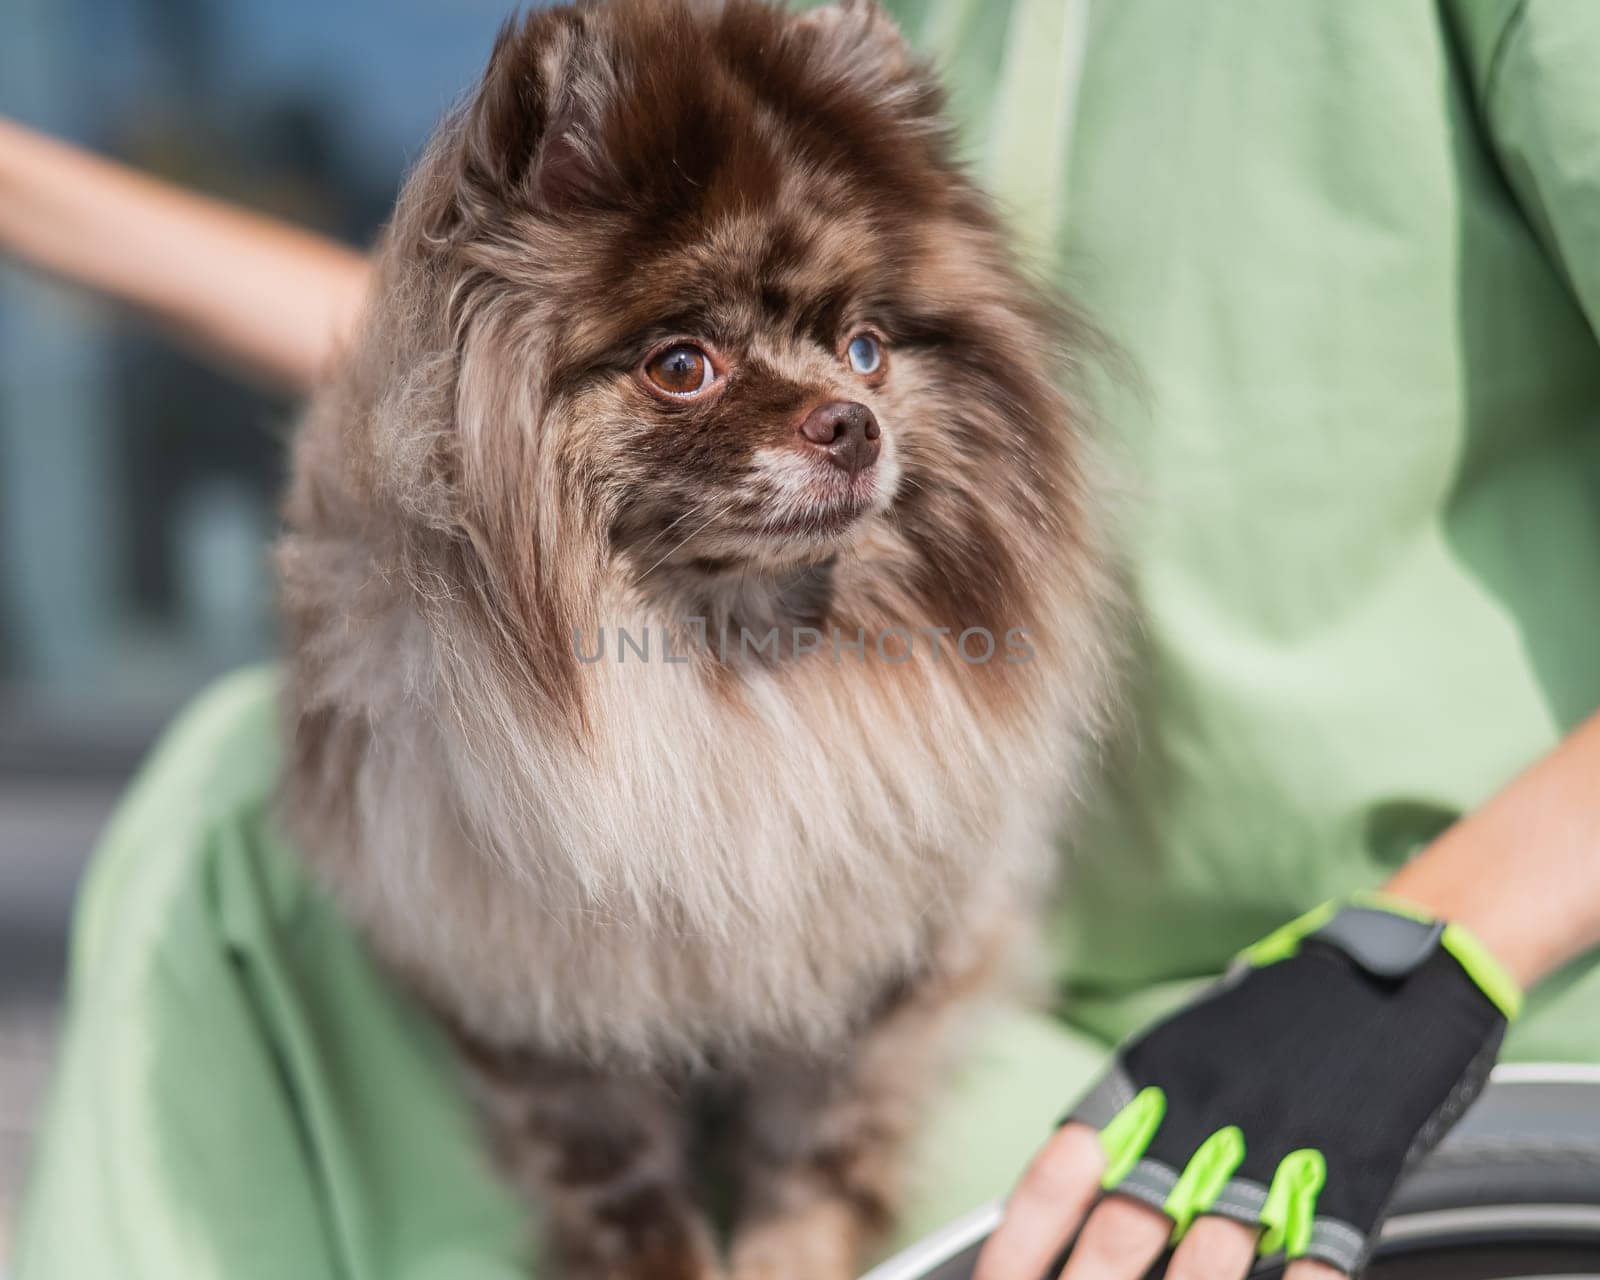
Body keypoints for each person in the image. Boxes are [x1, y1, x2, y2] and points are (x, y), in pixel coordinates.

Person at [5, 2, 1598, 1277]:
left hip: (1428, 997)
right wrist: (38, 194)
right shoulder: (809, 42)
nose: (835, 411)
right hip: (985, 992)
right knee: (223, 814)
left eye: (856, 347)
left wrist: (1419, 962)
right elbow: (473, 362)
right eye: (699, 365)